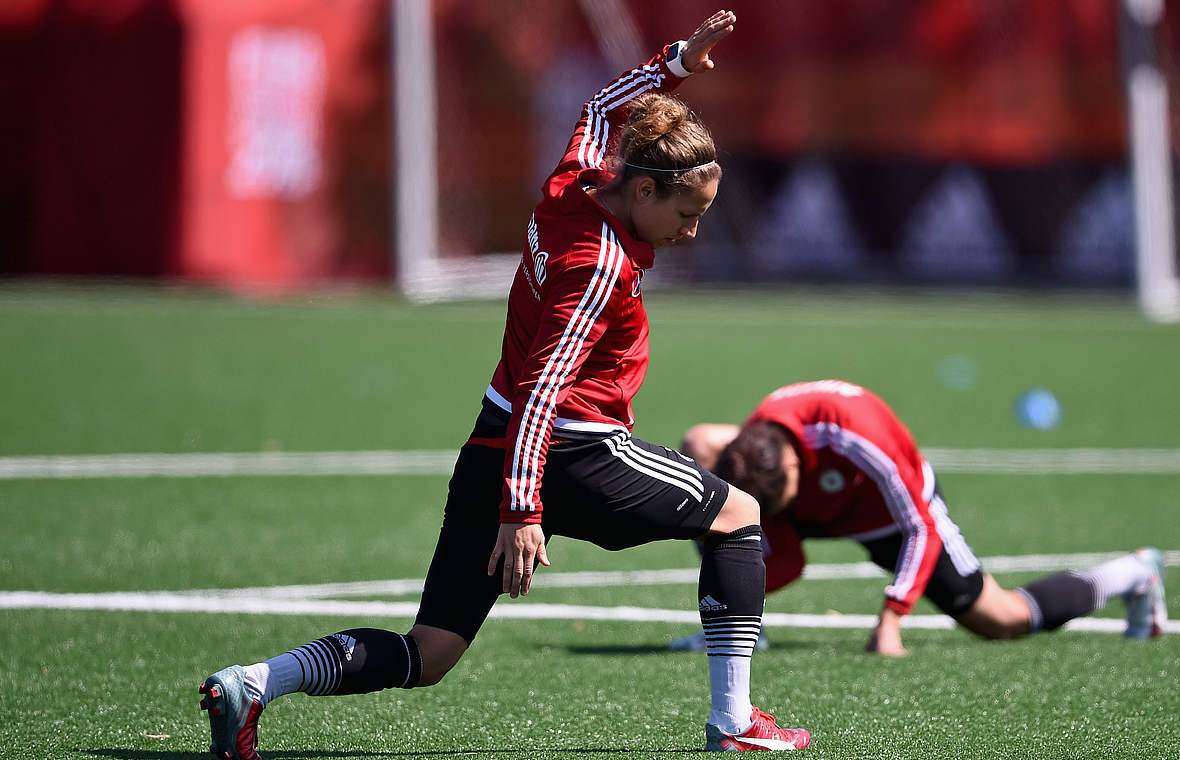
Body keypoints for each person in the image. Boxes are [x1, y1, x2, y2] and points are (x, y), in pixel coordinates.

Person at [197, 11, 810, 757]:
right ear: (643, 192)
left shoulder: (571, 184)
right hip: (571, 453)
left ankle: (255, 683)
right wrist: (525, 510)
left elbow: (597, 108)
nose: (691, 231)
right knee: (740, 516)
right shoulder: (600, 266)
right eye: (685, 213)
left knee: (430, 652)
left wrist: (677, 62)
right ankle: (736, 722)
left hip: (494, 446)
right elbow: (544, 386)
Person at [668, 379, 1168, 657]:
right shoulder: (756, 439)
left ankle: (1136, 574)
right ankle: (741, 623)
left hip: (888, 515)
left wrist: (892, 618)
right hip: (807, 509)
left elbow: (919, 525)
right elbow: (705, 444)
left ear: (798, 462)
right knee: (699, 448)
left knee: (1001, 620)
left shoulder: (856, 435)